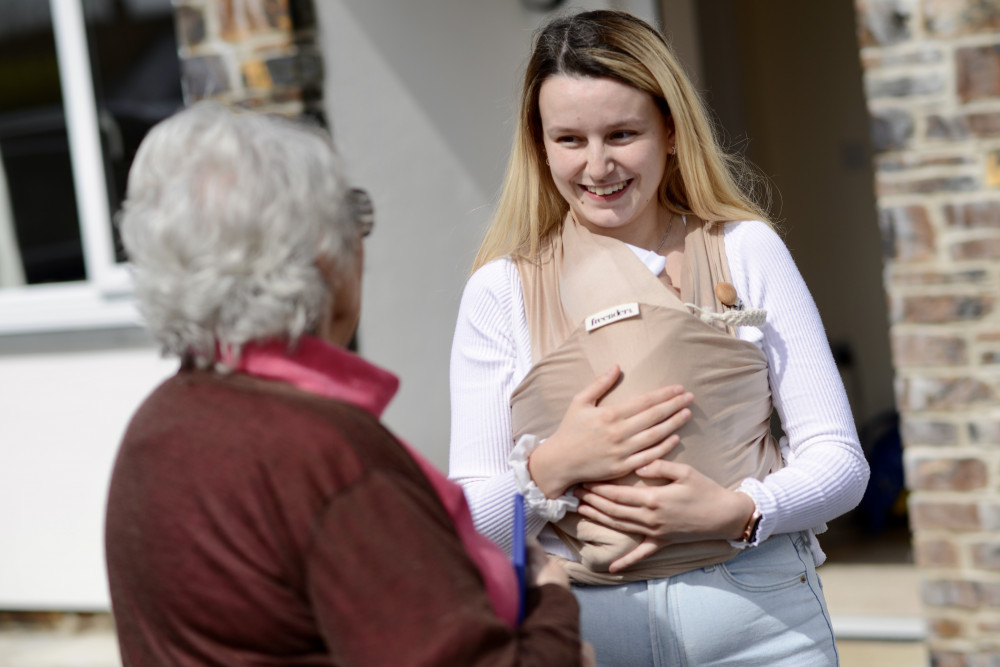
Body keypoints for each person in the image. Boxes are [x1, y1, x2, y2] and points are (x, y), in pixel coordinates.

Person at [104, 102, 595, 666]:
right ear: (324, 258)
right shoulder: (325, 458)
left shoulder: (158, 423)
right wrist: (553, 606)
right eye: (354, 216)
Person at [449, 10, 870, 666]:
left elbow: (840, 461)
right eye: (569, 139)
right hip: (593, 628)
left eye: (622, 133)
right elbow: (466, 518)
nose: (597, 166)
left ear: (671, 131)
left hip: (760, 619)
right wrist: (554, 464)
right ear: (539, 145)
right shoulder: (500, 291)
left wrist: (738, 509)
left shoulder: (742, 250)